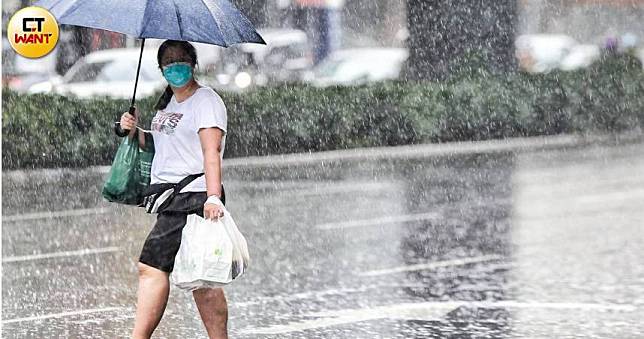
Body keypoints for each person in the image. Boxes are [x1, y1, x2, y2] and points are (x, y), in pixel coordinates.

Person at [118, 40, 229, 339]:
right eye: (168, 61)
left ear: (192, 64)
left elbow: (211, 152)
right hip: (173, 197)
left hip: (192, 197)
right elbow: (162, 146)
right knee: (201, 279)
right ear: (160, 69)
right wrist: (134, 131)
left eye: (181, 59)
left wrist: (213, 196)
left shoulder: (206, 101)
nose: (175, 65)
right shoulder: (168, 103)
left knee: (151, 266)